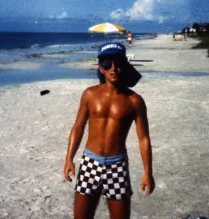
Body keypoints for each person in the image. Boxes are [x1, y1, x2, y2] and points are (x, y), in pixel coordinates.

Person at [63, 42, 155, 219]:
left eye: (118, 63)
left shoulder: (134, 101)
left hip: (117, 166)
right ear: (100, 67)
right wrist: (69, 159)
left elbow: (144, 138)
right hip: (90, 162)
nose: (113, 68)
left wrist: (148, 173)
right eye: (107, 63)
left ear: (124, 65)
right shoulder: (89, 94)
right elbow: (78, 127)